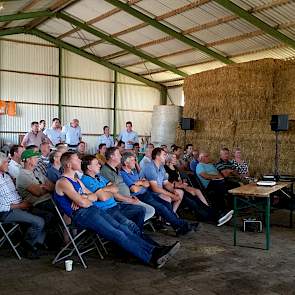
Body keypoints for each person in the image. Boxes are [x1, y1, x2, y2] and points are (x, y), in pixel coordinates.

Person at [54, 151, 180, 268]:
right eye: (77, 159)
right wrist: (84, 199)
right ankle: (151, 258)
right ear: (69, 164)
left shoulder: (76, 180)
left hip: (92, 210)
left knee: (124, 229)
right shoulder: (63, 182)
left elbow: (94, 196)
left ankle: (155, 250)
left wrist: (84, 197)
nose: (80, 161)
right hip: (81, 216)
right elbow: (86, 201)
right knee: (118, 233)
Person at [120, 152, 196, 236]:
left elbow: (147, 183)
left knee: (167, 204)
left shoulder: (133, 172)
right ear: (126, 163)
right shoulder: (123, 174)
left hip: (146, 193)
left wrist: (139, 183)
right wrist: (141, 183)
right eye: (133, 160)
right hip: (139, 197)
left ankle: (178, 227)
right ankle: (183, 226)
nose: (135, 162)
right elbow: (134, 189)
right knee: (162, 207)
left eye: (135, 160)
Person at [80, 155, 145, 236]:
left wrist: (102, 189)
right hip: (106, 210)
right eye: (97, 164)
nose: (100, 165)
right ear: (89, 167)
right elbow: (103, 198)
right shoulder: (86, 180)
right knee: (130, 225)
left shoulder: (99, 176)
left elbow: (115, 188)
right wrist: (108, 190)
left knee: (141, 210)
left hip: (116, 205)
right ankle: (139, 240)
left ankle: (136, 236)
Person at [0, 152, 46, 259]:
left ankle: (35, 244)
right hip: (6, 212)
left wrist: (24, 203)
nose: (8, 164)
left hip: (19, 207)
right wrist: (19, 206)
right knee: (39, 221)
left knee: (46, 216)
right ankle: (26, 246)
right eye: (6, 162)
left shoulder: (6, 177)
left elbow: (15, 194)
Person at [100, 147, 155, 223]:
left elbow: (145, 183)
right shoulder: (105, 171)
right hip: (120, 201)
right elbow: (113, 193)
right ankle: (132, 227)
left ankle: (133, 226)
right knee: (146, 210)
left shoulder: (116, 169)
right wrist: (130, 200)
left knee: (150, 209)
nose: (120, 156)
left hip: (128, 197)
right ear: (112, 156)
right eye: (118, 154)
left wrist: (131, 197)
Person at [140, 148, 184, 214]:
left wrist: (173, 191)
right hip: (150, 193)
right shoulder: (150, 167)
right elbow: (155, 189)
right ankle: (169, 217)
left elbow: (166, 183)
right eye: (164, 155)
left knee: (180, 193)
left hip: (159, 190)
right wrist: (171, 195)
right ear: (157, 157)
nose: (166, 157)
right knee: (168, 198)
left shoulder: (161, 167)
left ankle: (172, 214)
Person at [196, 151, 233, 225]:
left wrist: (220, 177)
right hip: (209, 184)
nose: (209, 157)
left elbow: (219, 173)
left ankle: (226, 209)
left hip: (218, 181)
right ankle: (222, 212)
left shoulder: (211, 165)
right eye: (207, 156)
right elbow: (205, 176)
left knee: (232, 185)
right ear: (201, 158)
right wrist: (217, 177)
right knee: (221, 188)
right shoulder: (200, 166)